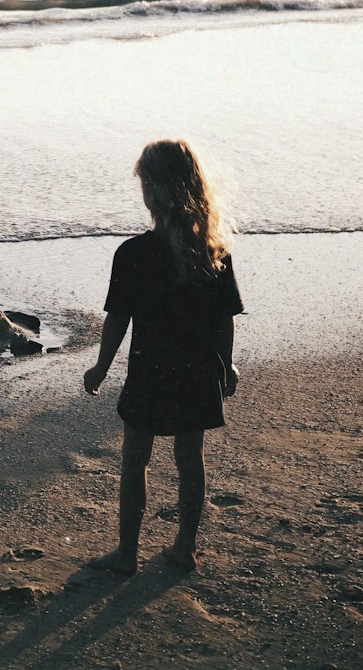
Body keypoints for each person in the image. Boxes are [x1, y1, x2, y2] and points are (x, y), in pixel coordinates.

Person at [83, 139, 243, 574]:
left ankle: (127, 554)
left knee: (136, 461)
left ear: (151, 191)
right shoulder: (214, 252)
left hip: (150, 372)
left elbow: (118, 320)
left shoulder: (133, 254)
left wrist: (100, 366)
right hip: (197, 371)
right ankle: (184, 547)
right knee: (190, 461)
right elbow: (223, 320)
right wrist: (225, 365)